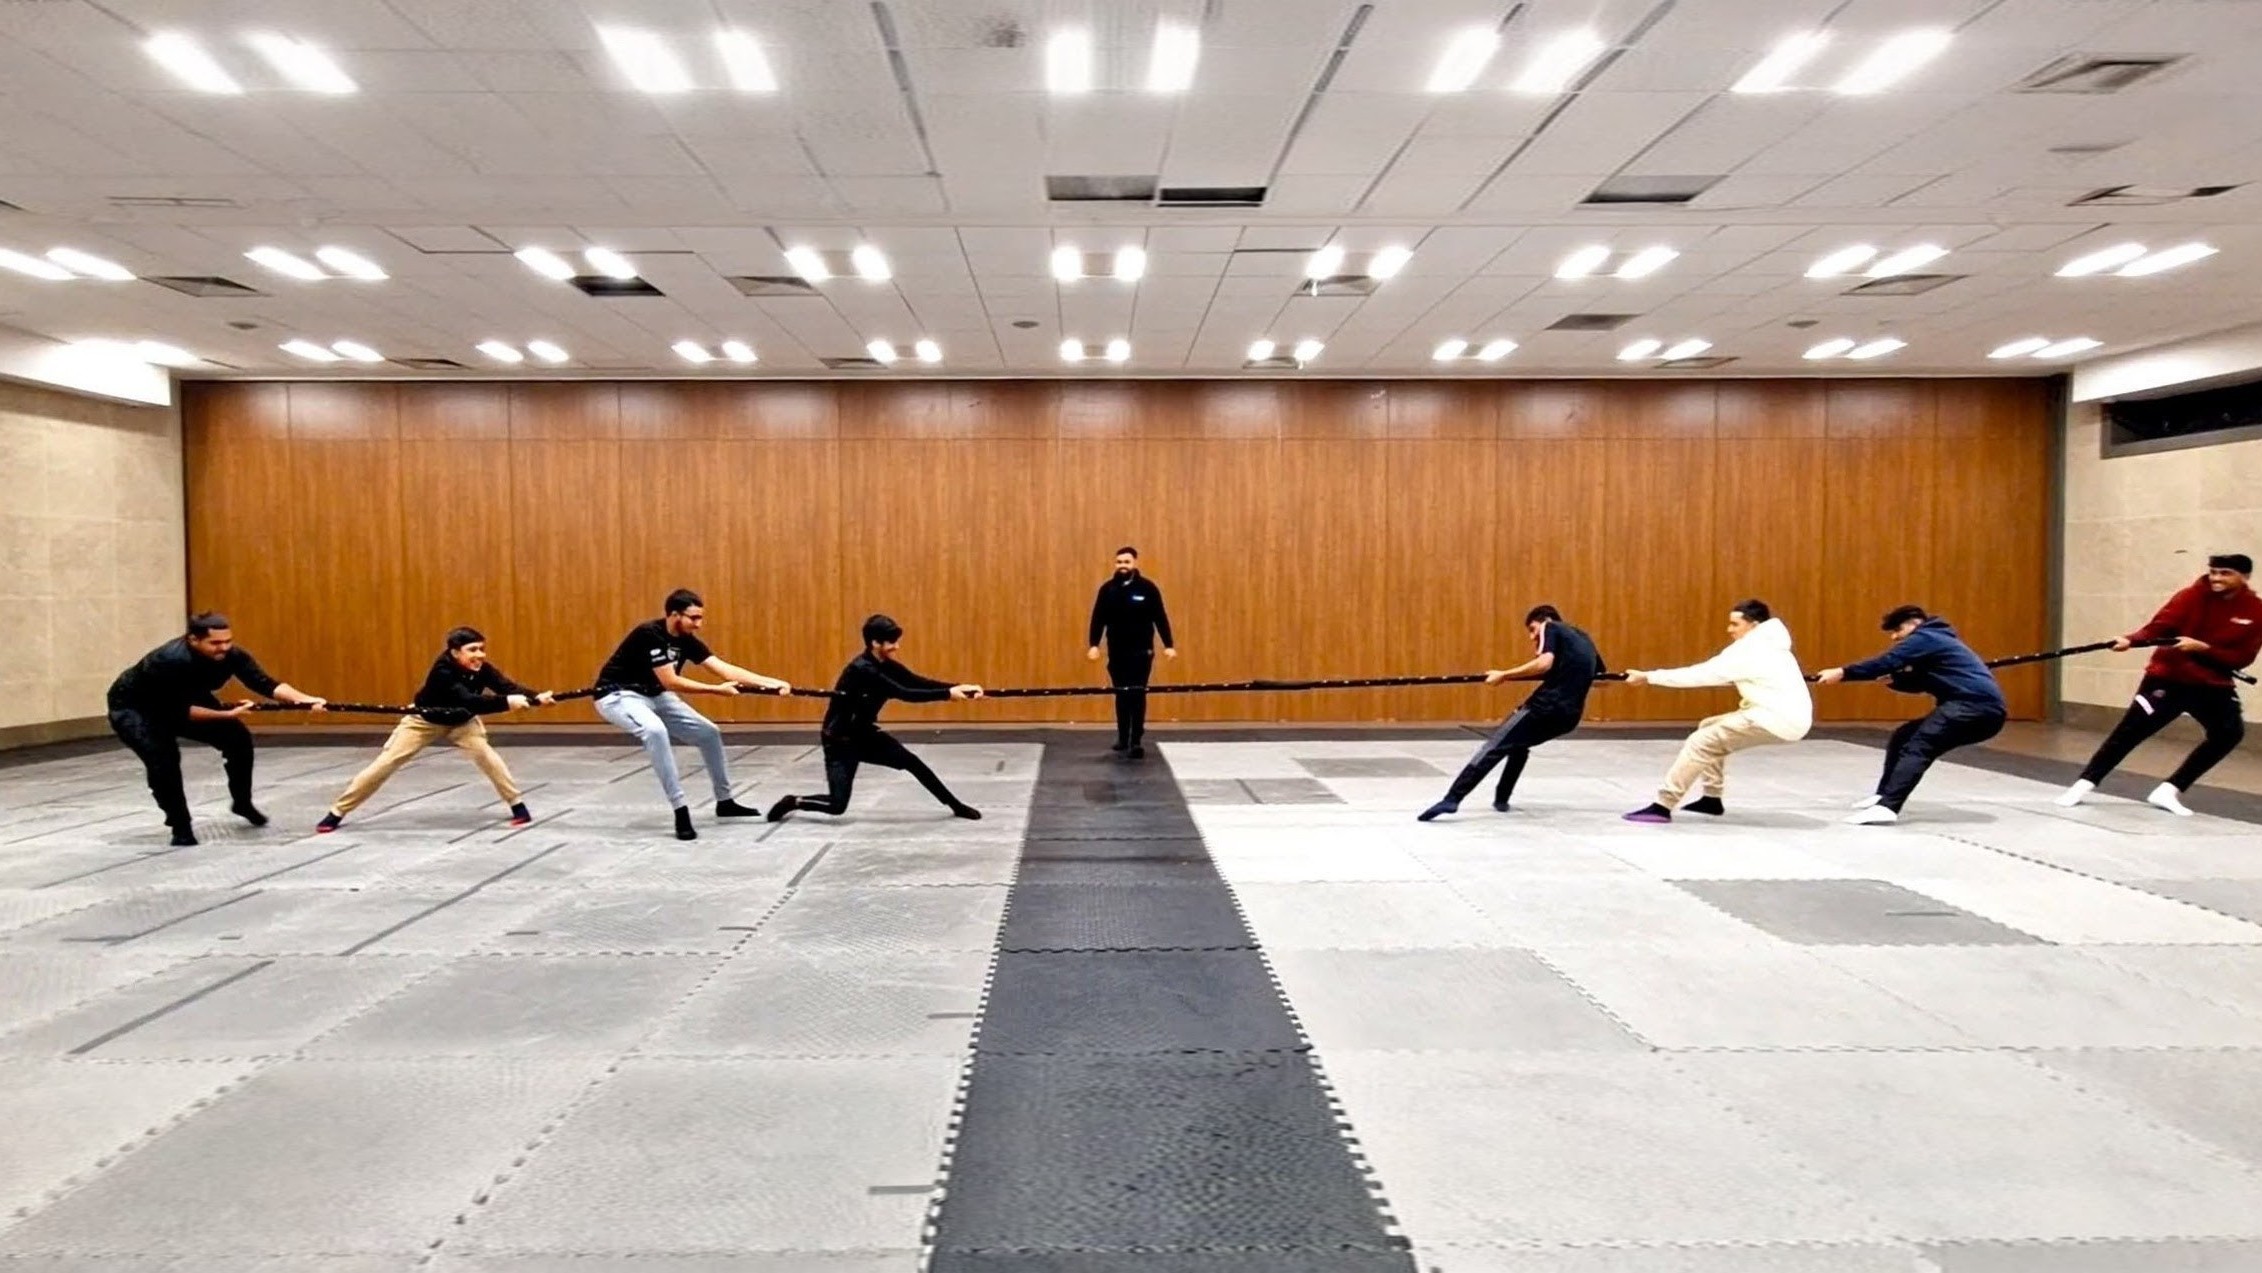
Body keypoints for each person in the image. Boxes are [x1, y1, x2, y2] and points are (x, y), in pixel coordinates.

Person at [2057, 554, 2262, 817]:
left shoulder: (2255, 611)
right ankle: (2084, 784)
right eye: (2213, 572)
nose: (2216, 578)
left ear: (2244, 577)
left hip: (2213, 683)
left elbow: (2242, 658)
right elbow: (2158, 628)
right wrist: (2130, 640)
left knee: (2229, 733)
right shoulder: (2189, 596)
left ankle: (2169, 789)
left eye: (2225, 573)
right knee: (2130, 732)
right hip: (2168, 677)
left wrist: (2204, 648)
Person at [106, 612, 325, 846]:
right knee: (164, 759)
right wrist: (226, 714)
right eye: (216, 643)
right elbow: (178, 712)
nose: (224, 648)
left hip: (188, 698)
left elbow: (264, 683)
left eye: (227, 641)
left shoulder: (232, 655)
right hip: (137, 708)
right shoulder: (169, 660)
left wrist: (305, 700)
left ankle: (242, 802)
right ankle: (180, 826)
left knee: (237, 738)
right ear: (193, 640)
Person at [593, 589, 792, 841]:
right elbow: (670, 680)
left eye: (700, 618)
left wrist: (772, 682)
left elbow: (723, 669)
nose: (698, 624)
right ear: (674, 614)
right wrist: (714, 691)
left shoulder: (686, 639)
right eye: (693, 618)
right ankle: (681, 811)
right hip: (618, 695)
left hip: (655, 694)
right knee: (655, 731)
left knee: (709, 733)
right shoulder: (649, 634)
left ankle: (725, 801)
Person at [316, 627, 555, 833]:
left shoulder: (483, 668)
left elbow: (507, 687)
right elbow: (469, 700)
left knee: (487, 757)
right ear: (454, 652)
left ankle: (518, 806)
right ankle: (337, 812)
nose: (479, 655)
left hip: (462, 722)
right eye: (472, 650)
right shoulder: (442, 671)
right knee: (386, 762)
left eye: (481, 648)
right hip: (425, 720)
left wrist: (536, 697)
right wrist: (507, 703)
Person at [767, 614, 985, 823]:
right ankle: (794, 801)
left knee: (913, 763)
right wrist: (948, 695)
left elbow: (914, 681)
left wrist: (957, 687)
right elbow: (904, 693)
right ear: (874, 643)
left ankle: (955, 805)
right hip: (839, 742)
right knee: (837, 805)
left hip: (864, 734)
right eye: (891, 642)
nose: (896, 647)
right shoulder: (862, 669)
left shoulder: (886, 665)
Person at [1621, 599, 1813, 823]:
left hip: (1773, 718)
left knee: (1700, 742)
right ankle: (1711, 798)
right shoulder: (1771, 645)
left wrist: (1649, 677)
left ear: (1754, 625)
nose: (1729, 630)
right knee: (1709, 726)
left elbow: (1701, 674)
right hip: (1784, 716)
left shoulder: (1751, 650)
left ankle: (1662, 805)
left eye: (1735, 624)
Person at [1817, 606, 2007, 825]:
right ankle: (1884, 794)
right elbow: (1921, 682)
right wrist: (1896, 682)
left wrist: (1842, 673)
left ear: (1914, 623)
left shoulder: (1926, 637)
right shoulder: (1939, 642)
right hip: (1982, 711)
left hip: (1971, 706)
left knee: (1919, 746)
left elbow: (1886, 662)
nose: (1895, 637)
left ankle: (1888, 807)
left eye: (1897, 630)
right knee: (1904, 736)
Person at [1418, 605, 1604, 821]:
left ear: (1544, 620)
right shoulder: (1584, 638)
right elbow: (1601, 679)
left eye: (1533, 630)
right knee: (1519, 744)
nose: (1533, 638)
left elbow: (1544, 663)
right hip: (1570, 716)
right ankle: (1502, 797)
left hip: (1544, 707)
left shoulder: (1551, 627)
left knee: (1494, 746)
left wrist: (1504, 675)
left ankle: (1452, 799)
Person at [1086, 546, 1176, 759]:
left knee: (1137, 694)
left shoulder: (1147, 589)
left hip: (1141, 652)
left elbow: (1160, 617)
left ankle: (1136, 740)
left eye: (1126, 562)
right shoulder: (1107, 590)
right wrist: (1094, 645)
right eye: (1119, 562)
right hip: (1117, 652)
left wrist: (1169, 645)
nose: (1122, 566)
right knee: (1121, 694)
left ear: (1135, 563)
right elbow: (1098, 618)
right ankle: (1122, 738)